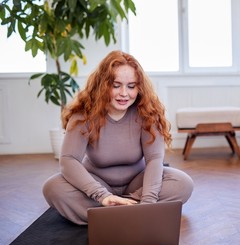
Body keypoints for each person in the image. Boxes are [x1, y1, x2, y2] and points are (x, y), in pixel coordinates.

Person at [43, 50, 194, 225]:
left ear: (139, 87)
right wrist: (102, 196)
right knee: (53, 188)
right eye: (116, 85)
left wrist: (148, 202)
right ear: (102, 85)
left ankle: (112, 216)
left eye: (131, 86)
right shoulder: (82, 117)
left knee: (182, 183)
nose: (124, 93)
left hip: (137, 184)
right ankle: (125, 212)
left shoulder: (147, 114)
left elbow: (154, 159)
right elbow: (68, 160)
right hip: (97, 185)